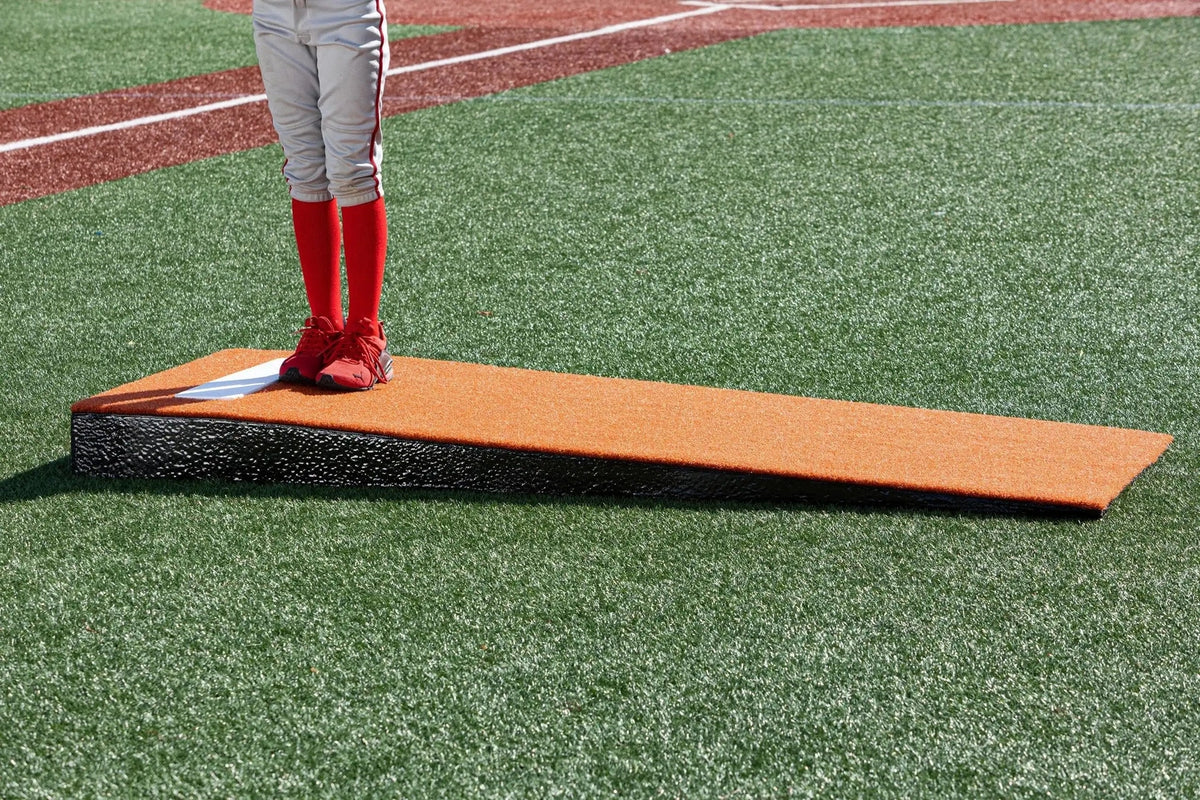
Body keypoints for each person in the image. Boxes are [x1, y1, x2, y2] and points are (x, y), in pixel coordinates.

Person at [252, 0, 392, 390]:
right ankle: (325, 327)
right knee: (304, 169)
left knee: (352, 169)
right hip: (273, 11)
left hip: (345, 10)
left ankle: (366, 334)